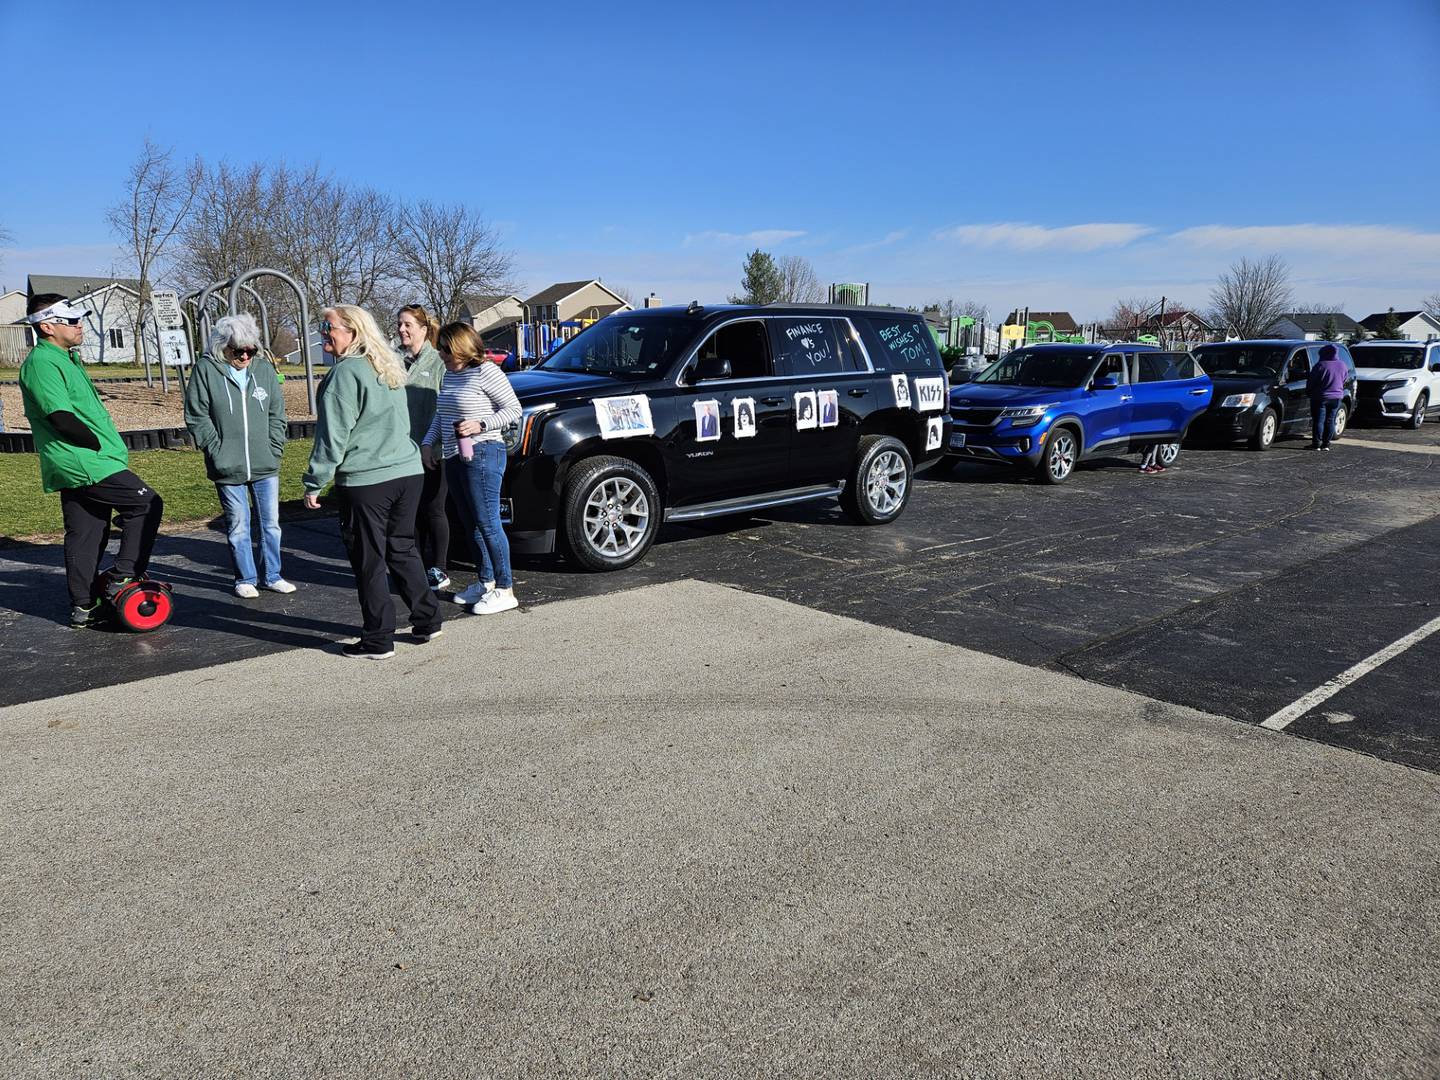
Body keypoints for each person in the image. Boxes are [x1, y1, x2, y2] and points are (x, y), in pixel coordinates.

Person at [302, 304, 441, 659]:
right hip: (407, 473)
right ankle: (427, 618)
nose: (323, 332)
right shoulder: (387, 366)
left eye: (328, 326)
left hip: (368, 480)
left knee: (369, 559)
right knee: (402, 547)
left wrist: (316, 480)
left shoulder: (344, 375)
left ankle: (378, 639)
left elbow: (333, 436)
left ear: (352, 331)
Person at [18, 293, 164, 627]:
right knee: (146, 503)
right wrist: (96, 444)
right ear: (47, 326)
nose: (79, 325)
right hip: (85, 461)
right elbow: (60, 417)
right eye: (71, 320)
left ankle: (84, 606)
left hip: (82, 461)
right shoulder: (43, 363)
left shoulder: (66, 358)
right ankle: (124, 575)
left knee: (86, 533)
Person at [183, 313, 294, 598]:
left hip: (265, 462)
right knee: (238, 525)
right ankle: (244, 578)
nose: (245, 356)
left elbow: (277, 414)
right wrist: (216, 450)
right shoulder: (206, 370)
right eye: (238, 350)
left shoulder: (264, 370)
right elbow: (197, 416)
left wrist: (274, 447)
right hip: (227, 465)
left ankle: (272, 574)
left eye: (250, 350)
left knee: (271, 524)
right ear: (223, 346)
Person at [423, 323, 522, 615]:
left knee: (488, 522)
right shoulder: (451, 374)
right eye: (440, 348)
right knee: (470, 522)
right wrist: (428, 444)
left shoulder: (487, 372)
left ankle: (506, 589)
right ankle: (486, 581)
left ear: (461, 346)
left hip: (484, 451)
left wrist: (481, 424)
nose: (440, 353)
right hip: (455, 455)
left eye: (445, 348)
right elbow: (442, 415)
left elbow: (513, 409)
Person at [397, 304, 450, 592]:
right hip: (403, 453)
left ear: (423, 329)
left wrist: (435, 445)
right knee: (411, 512)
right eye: (400, 325)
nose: (402, 330)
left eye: (407, 325)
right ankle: (414, 566)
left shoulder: (437, 363)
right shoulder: (396, 362)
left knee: (433, 510)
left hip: (433, 452)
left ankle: (440, 568)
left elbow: (446, 409)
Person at [1307, 343, 1348, 451]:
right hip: (1336, 397)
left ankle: (1316, 443)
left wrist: (1309, 392)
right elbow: (1344, 380)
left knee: (1319, 421)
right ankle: (1326, 444)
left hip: (1321, 397)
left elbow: (1312, 381)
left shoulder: (1321, 365)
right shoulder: (1342, 365)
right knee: (1330, 420)